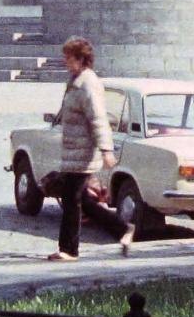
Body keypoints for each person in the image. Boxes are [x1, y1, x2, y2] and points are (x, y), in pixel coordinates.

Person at [50, 36, 133, 261]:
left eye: (68, 57)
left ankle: (69, 250)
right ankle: (122, 229)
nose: (65, 62)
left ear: (80, 58)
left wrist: (106, 150)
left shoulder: (88, 83)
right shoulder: (75, 81)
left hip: (83, 152)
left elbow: (98, 118)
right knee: (83, 200)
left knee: (70, 199)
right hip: (73, 151)